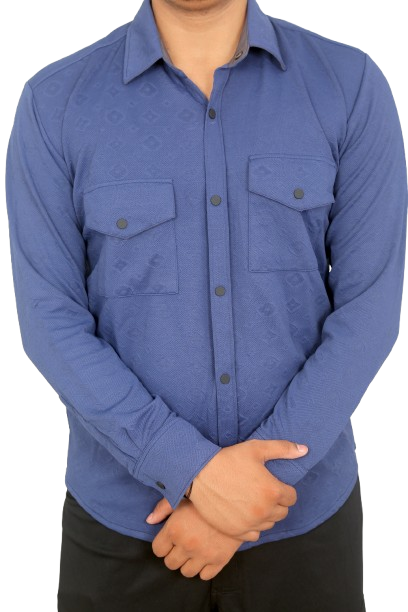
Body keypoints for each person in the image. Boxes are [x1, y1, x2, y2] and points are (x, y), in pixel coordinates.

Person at [6, 0, 406, 609]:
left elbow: (368, 312)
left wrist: (253, 494)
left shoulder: (349, 86)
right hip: (125, 532)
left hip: (304, 530)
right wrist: (192, 470)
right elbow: (49, 320)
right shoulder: (55, 102)